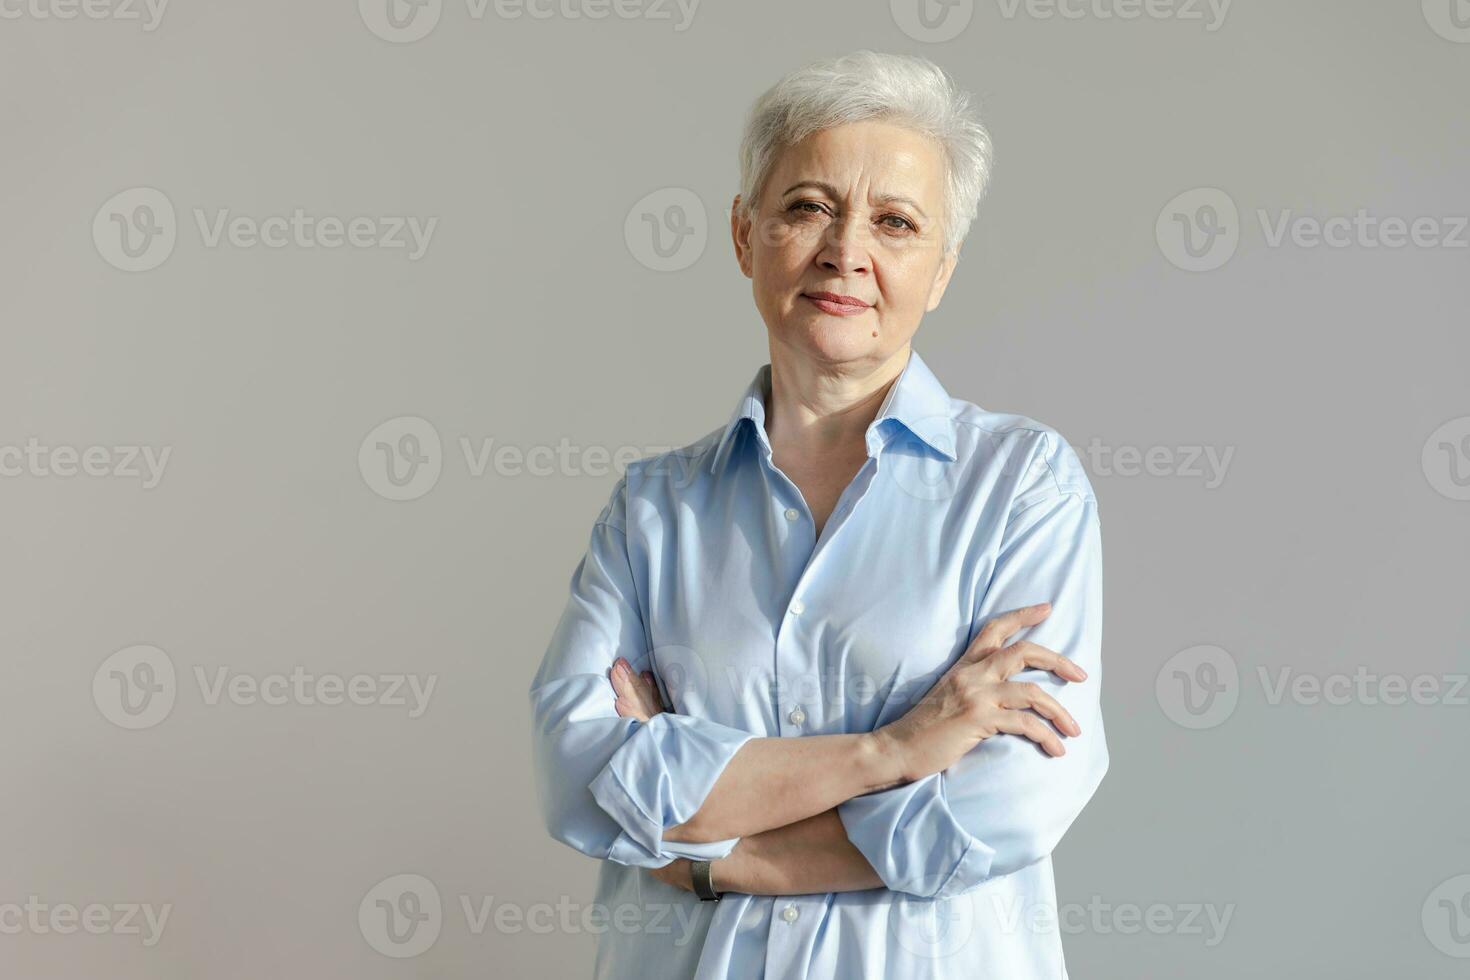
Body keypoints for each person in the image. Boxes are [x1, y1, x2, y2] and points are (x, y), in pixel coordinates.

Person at [528, 49, 1107, 979]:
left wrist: (721, 857)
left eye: (896, 222)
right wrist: (896, 750)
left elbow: (1008, 804)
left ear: (942, 270)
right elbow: (582, 780)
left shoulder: (1022, 488)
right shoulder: (652, 512)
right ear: (743, 234)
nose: (848, 252)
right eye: (808, 206)